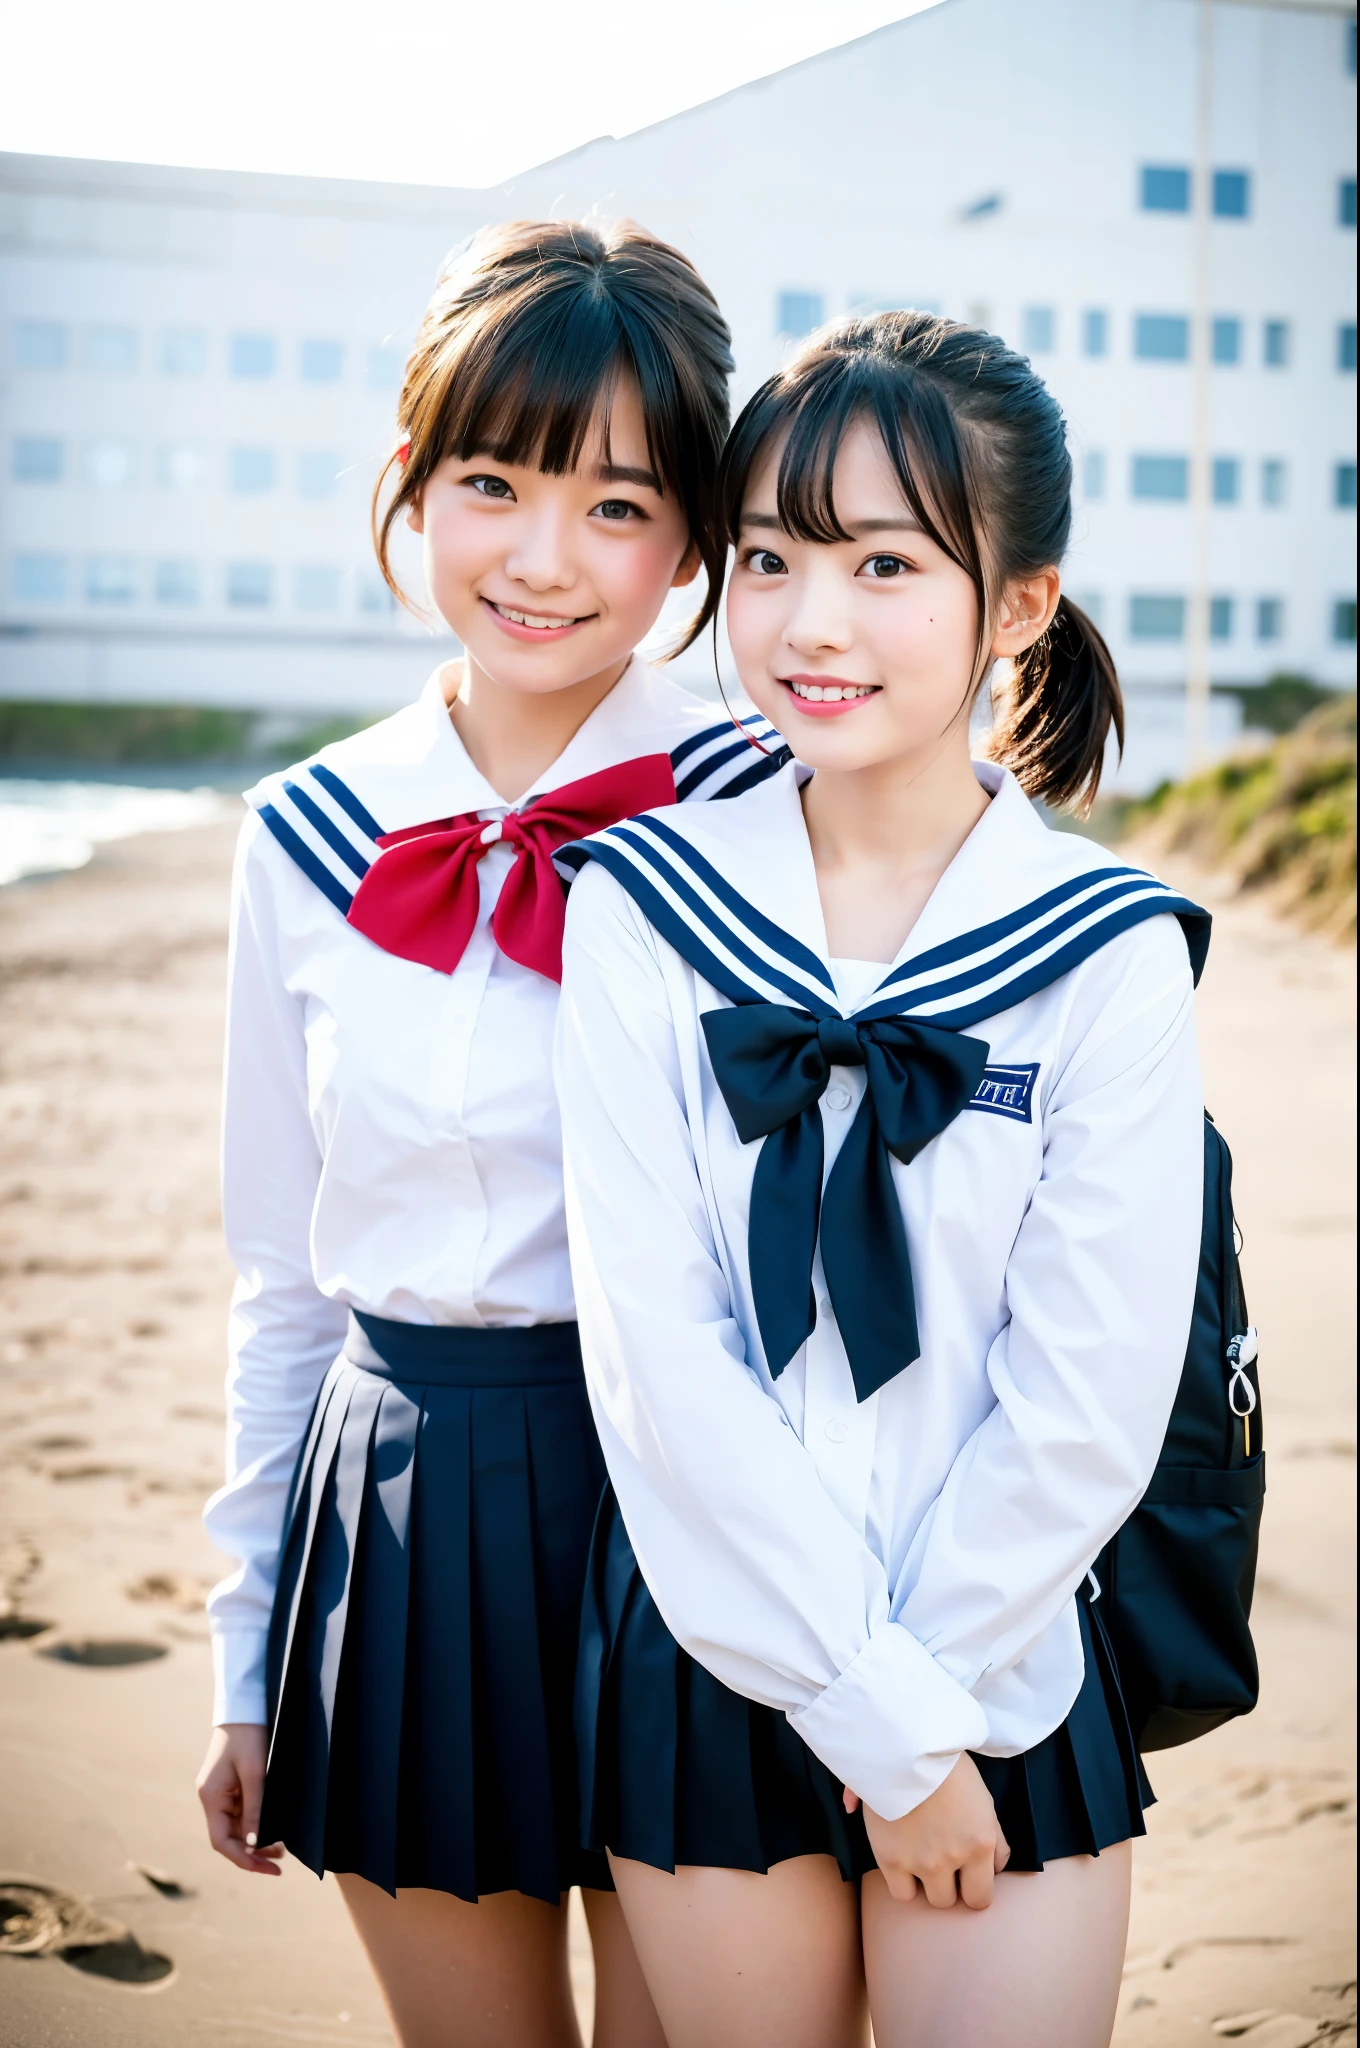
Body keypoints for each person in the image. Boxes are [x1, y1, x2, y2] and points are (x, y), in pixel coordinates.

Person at [554, 311, 1210, 2048]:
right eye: (765, 557)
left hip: (1001, 1656)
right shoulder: (639, 909)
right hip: (711, 1638)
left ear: (1018, 604)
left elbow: (1089, 1397)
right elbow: (656, 1359)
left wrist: (925, 1718)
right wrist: (873, 1720)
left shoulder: (1108, 954)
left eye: (885, 562)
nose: (809, 620)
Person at [195, 218, 785, 2048]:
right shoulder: (303, 833)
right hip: (410, 1507)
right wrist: (243, 1646)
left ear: (694, 534)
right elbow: (281, 1276)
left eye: (618, 505)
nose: (545, 561)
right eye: (491, 483)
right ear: (409, 486)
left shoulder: (780, 804)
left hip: (705, 1495)